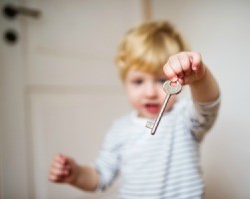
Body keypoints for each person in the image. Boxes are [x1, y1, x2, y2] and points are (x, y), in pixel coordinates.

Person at [48, 20, 220, 199]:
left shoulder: (185, 118)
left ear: (179, 82)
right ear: (125, 82)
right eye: (138, 81)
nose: (150, 92)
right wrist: (76, 175)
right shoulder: (119, 130)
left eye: (162, 80)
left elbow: (208, 103)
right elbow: (100, 176)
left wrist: (199, 78)